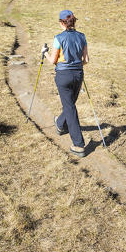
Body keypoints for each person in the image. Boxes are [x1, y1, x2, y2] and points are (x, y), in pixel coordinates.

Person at [43, 9, 89, 158]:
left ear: (62, 23)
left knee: (70, 107)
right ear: (73, 22)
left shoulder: (58, 38)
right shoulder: (82, 36)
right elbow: (86, 60)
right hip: (78, 74)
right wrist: (77, 64)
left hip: (63, 75)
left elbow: (53, 61)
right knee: (70, 105)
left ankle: (78, 144)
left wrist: (44, 52)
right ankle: (60, 124)